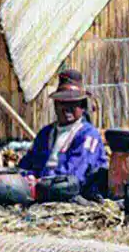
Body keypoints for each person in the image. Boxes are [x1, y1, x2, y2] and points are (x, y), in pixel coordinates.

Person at [17, 69, 108, 200]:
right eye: (62, 103)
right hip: (43, 189)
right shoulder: (45, 133)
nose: (67, 109)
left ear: (82, 107)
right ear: (55, 105)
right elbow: (27, 163)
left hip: (72, 192)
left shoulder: (87, 135)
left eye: (73, 104)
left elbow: (76, 173)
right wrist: (27, 177)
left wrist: (42, 183)